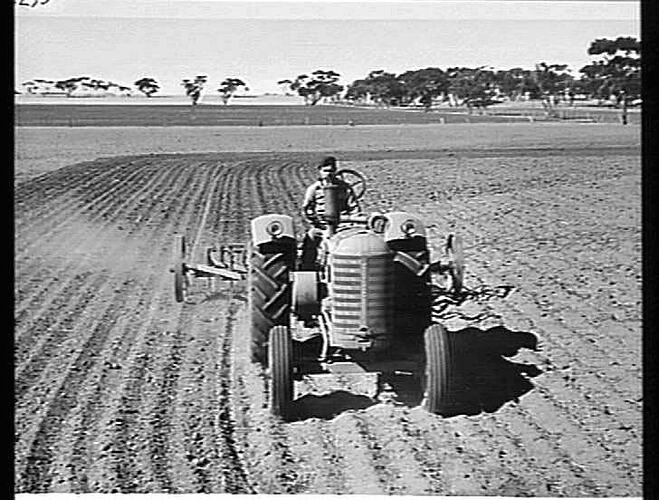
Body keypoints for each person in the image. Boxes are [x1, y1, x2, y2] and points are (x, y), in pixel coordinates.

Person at [299, 156, 360, 270]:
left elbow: (354, 207)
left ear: (335, 171)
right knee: (311, 238)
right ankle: (307, 268)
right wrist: (316, 220)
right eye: (325, 171)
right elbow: (307, 209)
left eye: (331, 171)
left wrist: (353, 221)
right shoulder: (314, 189)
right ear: (320, 171)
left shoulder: (345, 188)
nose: (328, 174)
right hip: (322, 225)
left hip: (344, 225)